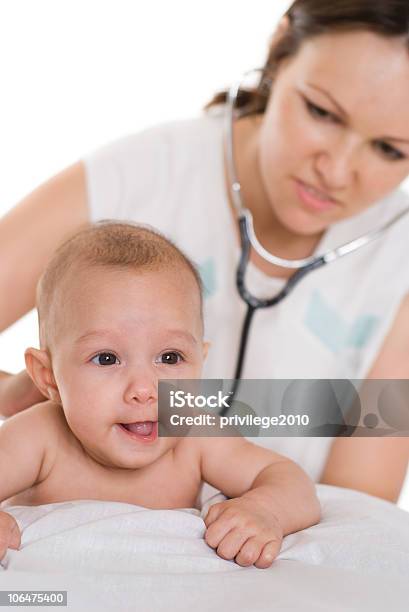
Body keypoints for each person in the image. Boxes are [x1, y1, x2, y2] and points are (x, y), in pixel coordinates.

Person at [1, 0, 409, 504]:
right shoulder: (146, 173)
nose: (337, 169)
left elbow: (360, 516)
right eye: (322, 112)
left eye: (391, 149)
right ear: (280, 55)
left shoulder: (398, 263)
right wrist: (54, 397)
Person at [0, 221, 320, 568]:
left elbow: (291, 481)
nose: (144, 390)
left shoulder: (194, 437)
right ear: (48, 377)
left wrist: (264, 510)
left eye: (170, 358)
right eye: (106, 358)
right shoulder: (40, 438)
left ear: (201, 363)